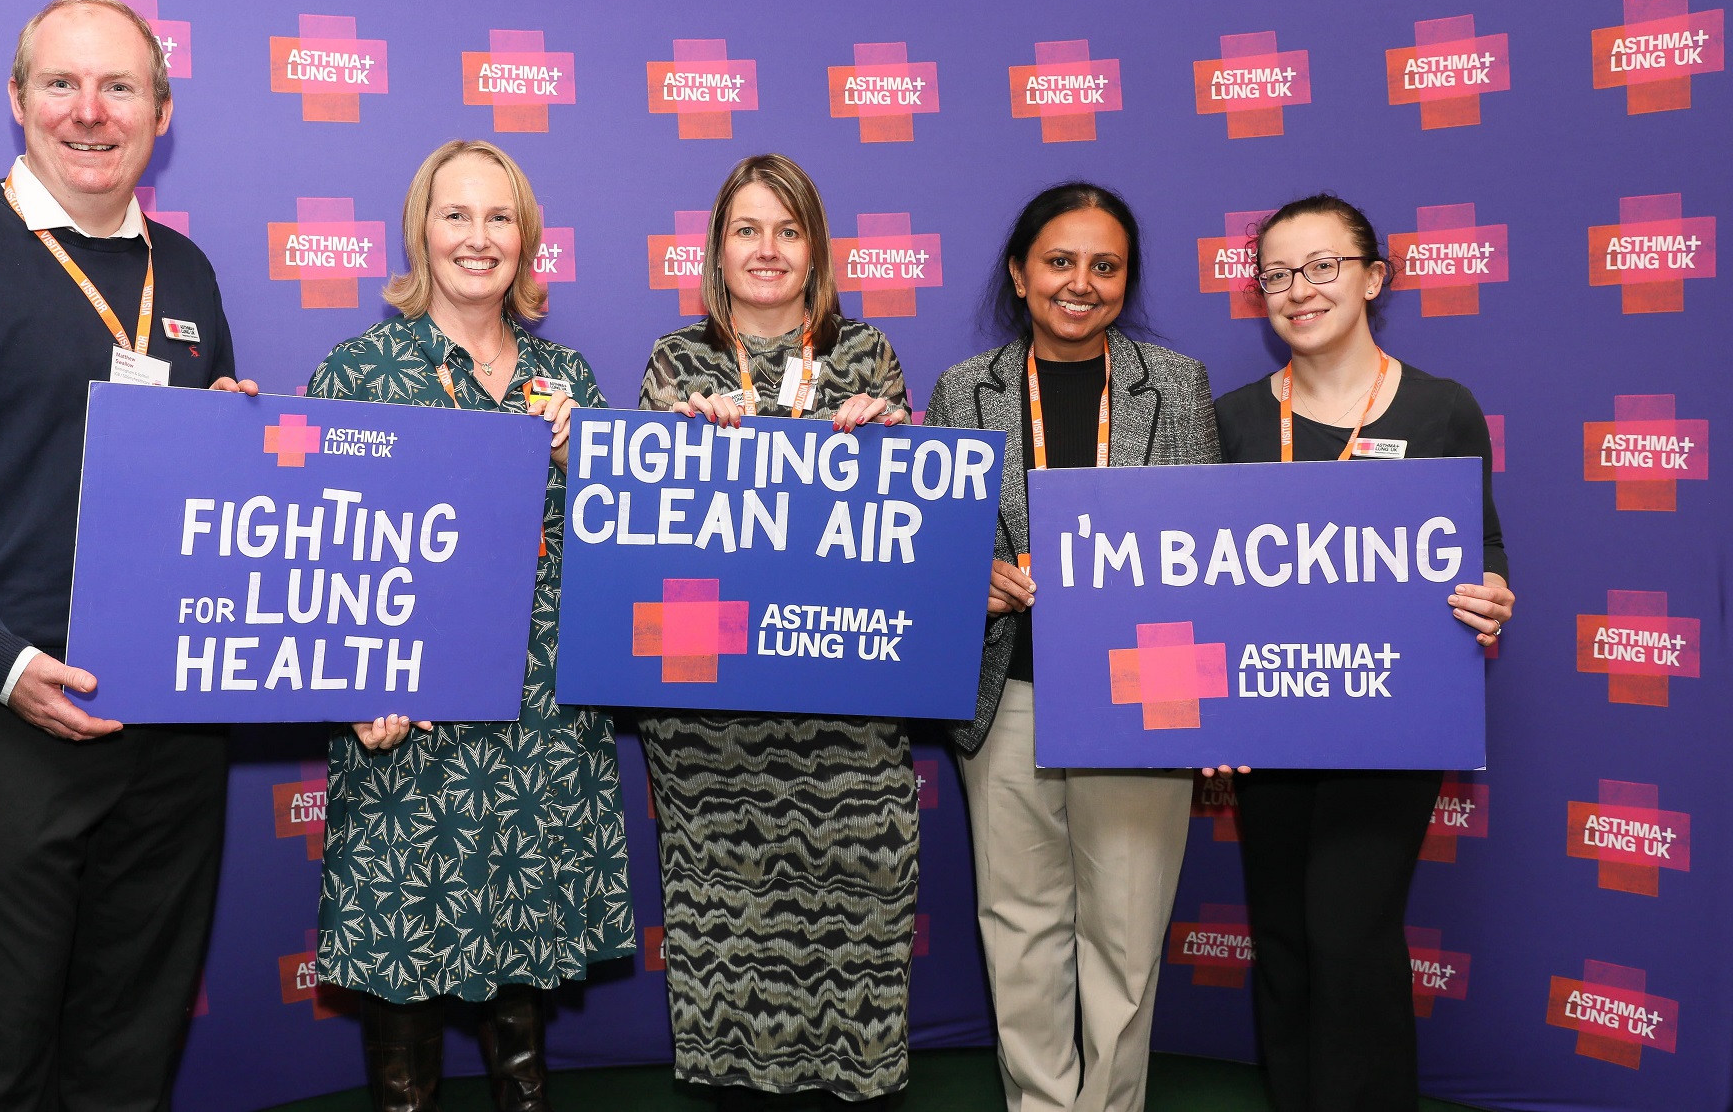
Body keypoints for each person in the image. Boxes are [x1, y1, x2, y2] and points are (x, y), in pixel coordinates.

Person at [0, 0, 256, 1109]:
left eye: (120, 87)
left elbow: (189, 498)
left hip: (169, 724)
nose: (89, 112)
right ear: (16, 101)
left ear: (160, 113)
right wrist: (3, 661)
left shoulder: (192, 274)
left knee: (131, 1042)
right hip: (8, 712)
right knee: (0, 1045)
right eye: (61, 84)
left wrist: (234, 445)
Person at [306, 138, 634, 1112]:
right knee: (401, 957)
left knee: (522, 965)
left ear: (527, 240)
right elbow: (319, 556)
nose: (478, 238)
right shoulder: (360, 373)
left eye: (500, 218)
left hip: (542, 722)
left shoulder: (567, 374)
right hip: (409, 722)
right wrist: (356, 682)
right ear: (421, 231)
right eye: (456, 215)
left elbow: (626, 565)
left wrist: (595, 466)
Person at [1210, 195, 1514, 1112]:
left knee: (1351, 932)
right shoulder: (1227, 422)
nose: (1298, 291)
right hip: (1266, 725)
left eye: (1322, 266)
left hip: (1391, 721)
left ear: (1374, 278)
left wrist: (1493, 596)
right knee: (1287, 936)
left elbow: (1484, 550)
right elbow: (1191, 585)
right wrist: (1206, 710)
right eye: (1276, 273)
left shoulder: (1441, 408)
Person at [923, 182, 1219, 1112]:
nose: (1080, 283)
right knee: (1020, 929)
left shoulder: (1176, 384)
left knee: (1126, 938)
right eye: (1059, 261)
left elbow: (1204, 553)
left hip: (1143, 696)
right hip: (1008, 692)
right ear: (1020, 274)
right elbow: (931, 552)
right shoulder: (960, 389)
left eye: (1104, 265)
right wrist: (975, 581)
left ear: (1125, 282)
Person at [635, 153, 913, 1110]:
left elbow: (913, 537)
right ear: (716, 248)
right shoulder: (676, 362)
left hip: (851, 714)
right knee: (729, 964)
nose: (767, 249)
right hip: (716, 730)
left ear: (816, 248)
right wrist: (676, 439)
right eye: (746, 229)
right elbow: (643, 539)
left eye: (787, 231)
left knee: (857, 956)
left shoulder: (869, 354)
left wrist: (895, 440)